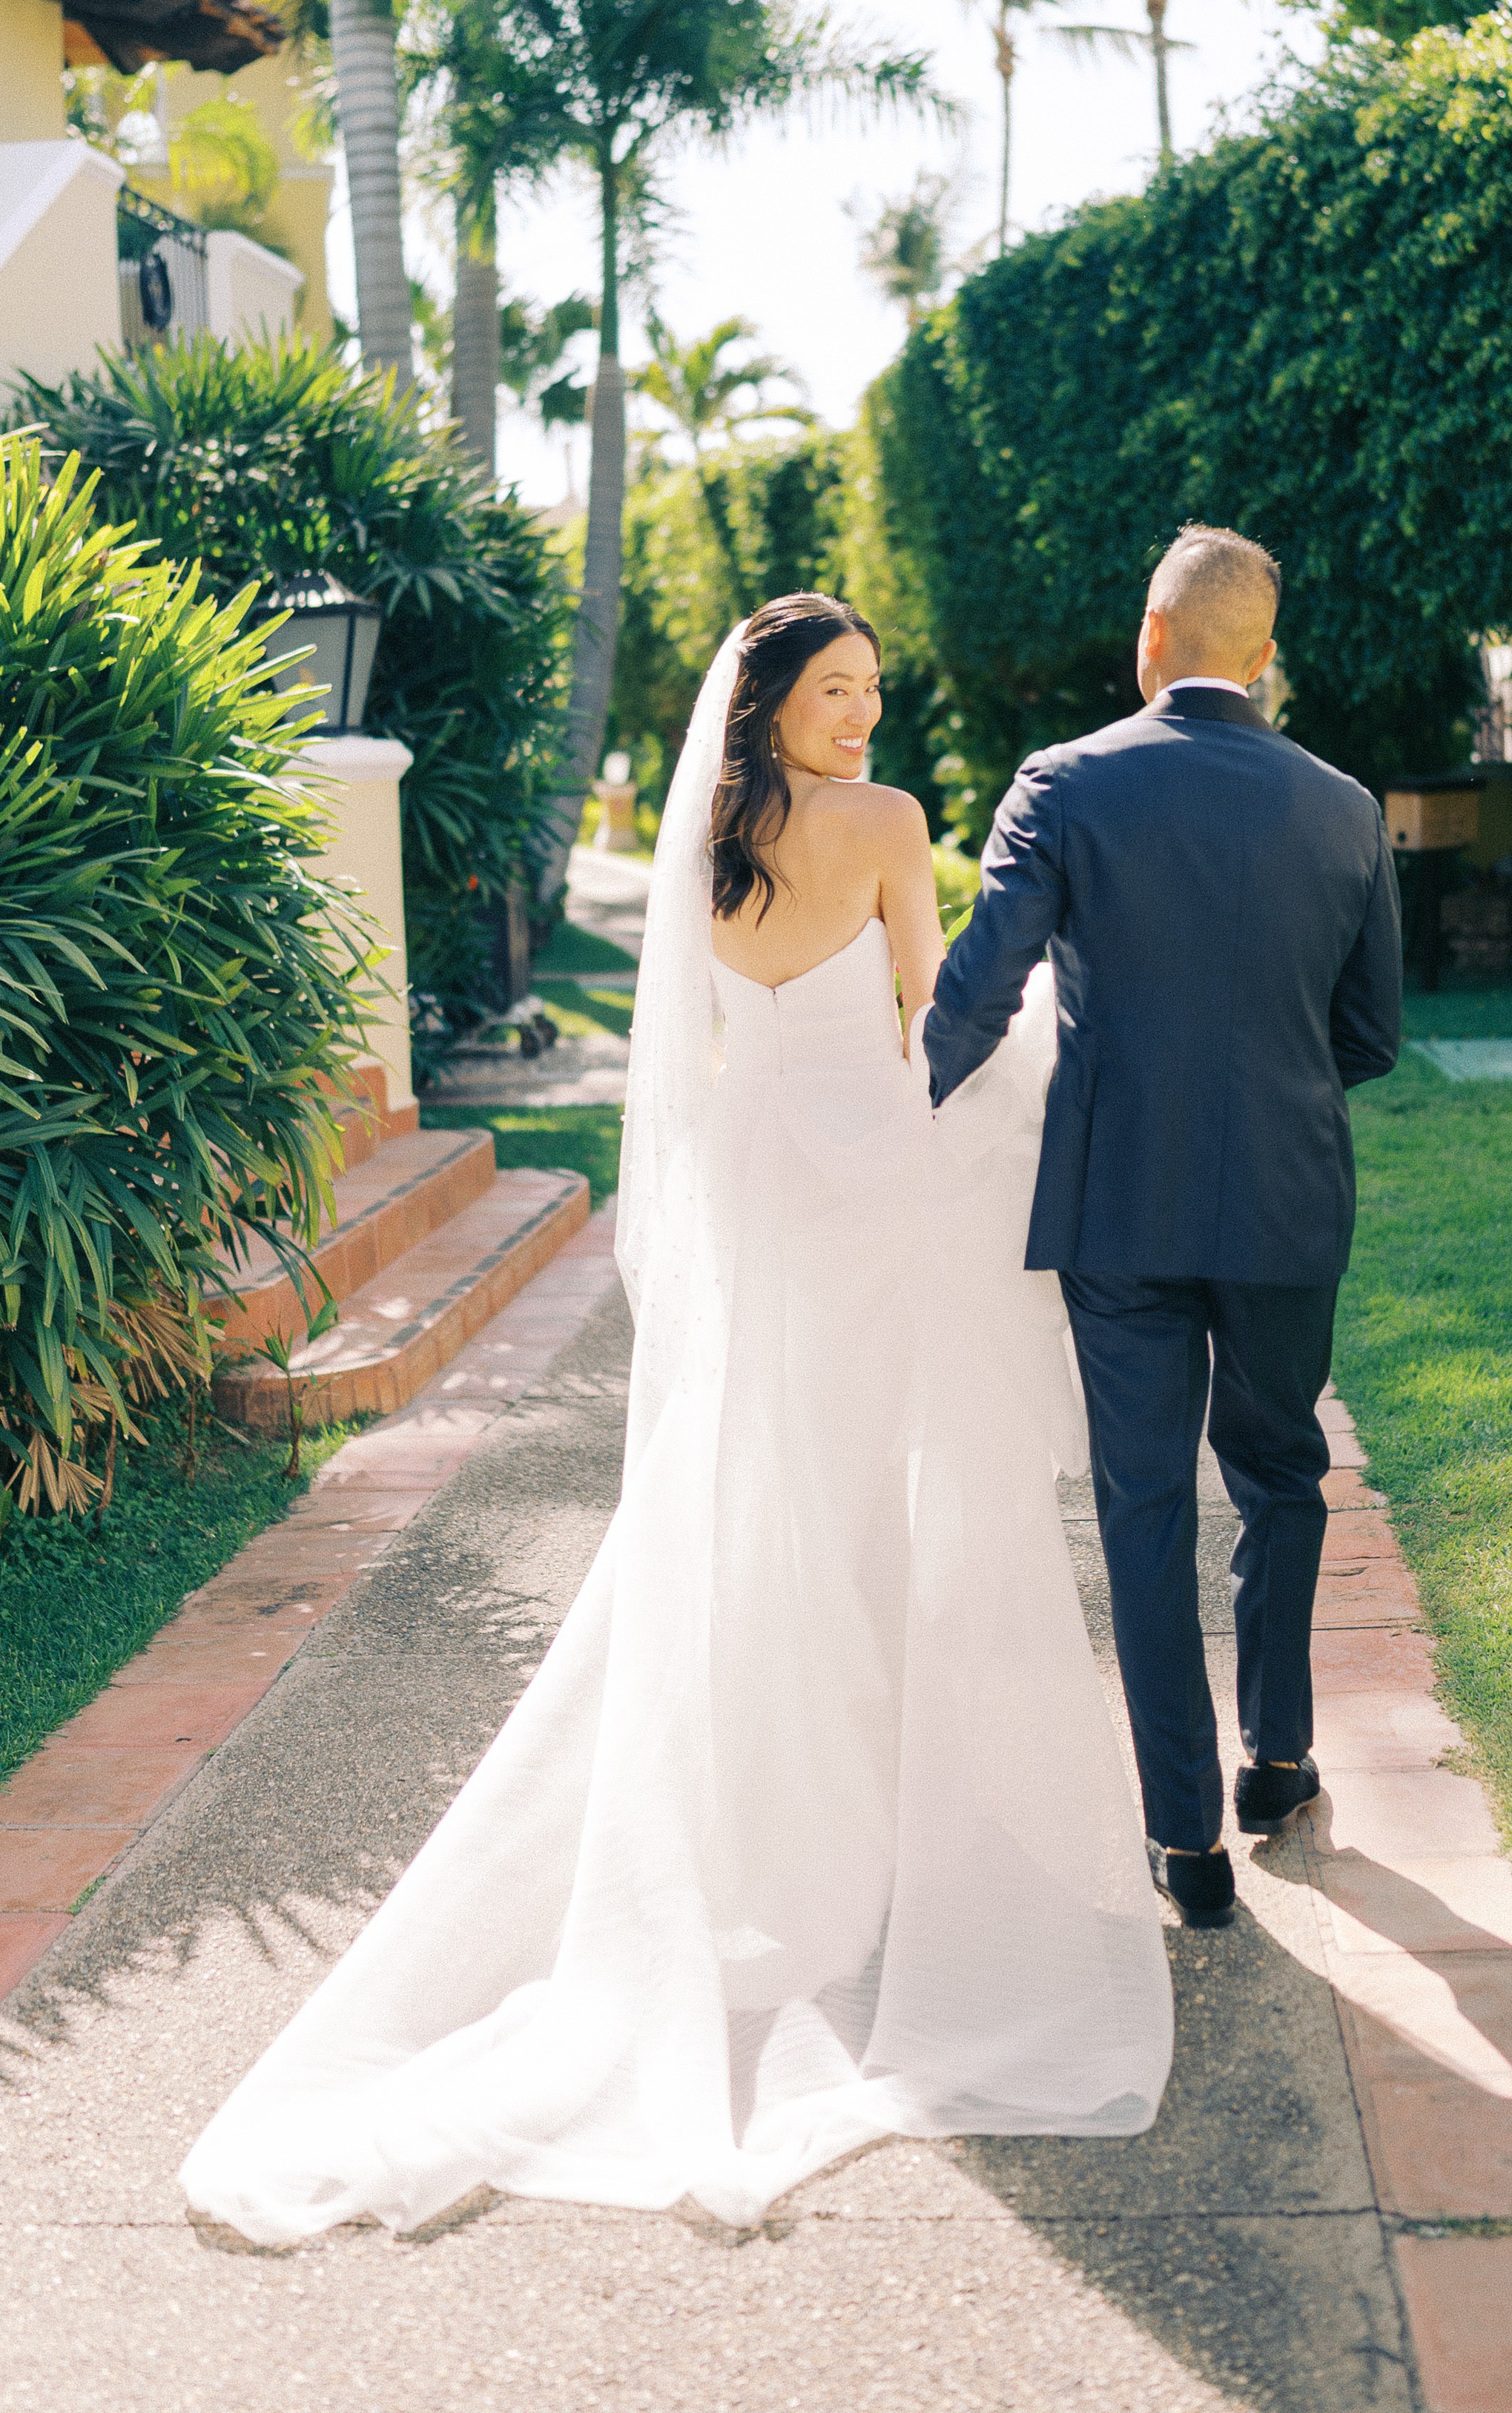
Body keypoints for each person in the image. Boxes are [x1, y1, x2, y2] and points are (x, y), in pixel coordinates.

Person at [181, 592, 1172, 2245]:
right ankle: (856, 1868)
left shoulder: (710, 849)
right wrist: (1055, 1044)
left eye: (871, 691)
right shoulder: (887, 823)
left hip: (759, 1202)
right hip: (861, 1202)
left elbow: (706, 1057)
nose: (862, 715)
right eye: (837, 690)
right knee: (873, 1518)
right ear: (774, 700)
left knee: (767, 1512)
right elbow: (940, 1015)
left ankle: (784, 1861)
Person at [924, 528, 1404, 1930]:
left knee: (1143, 1507)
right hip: (1285, 1201)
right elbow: (1370, 1037)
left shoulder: (1064, 786)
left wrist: (896, 1115)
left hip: (1118, 1206)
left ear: (1152, 638)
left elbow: (977, 992)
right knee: (1279, 1476)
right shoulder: (1347, 809)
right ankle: (1280, 1760)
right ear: (1262, 661)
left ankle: (1183, 1845)